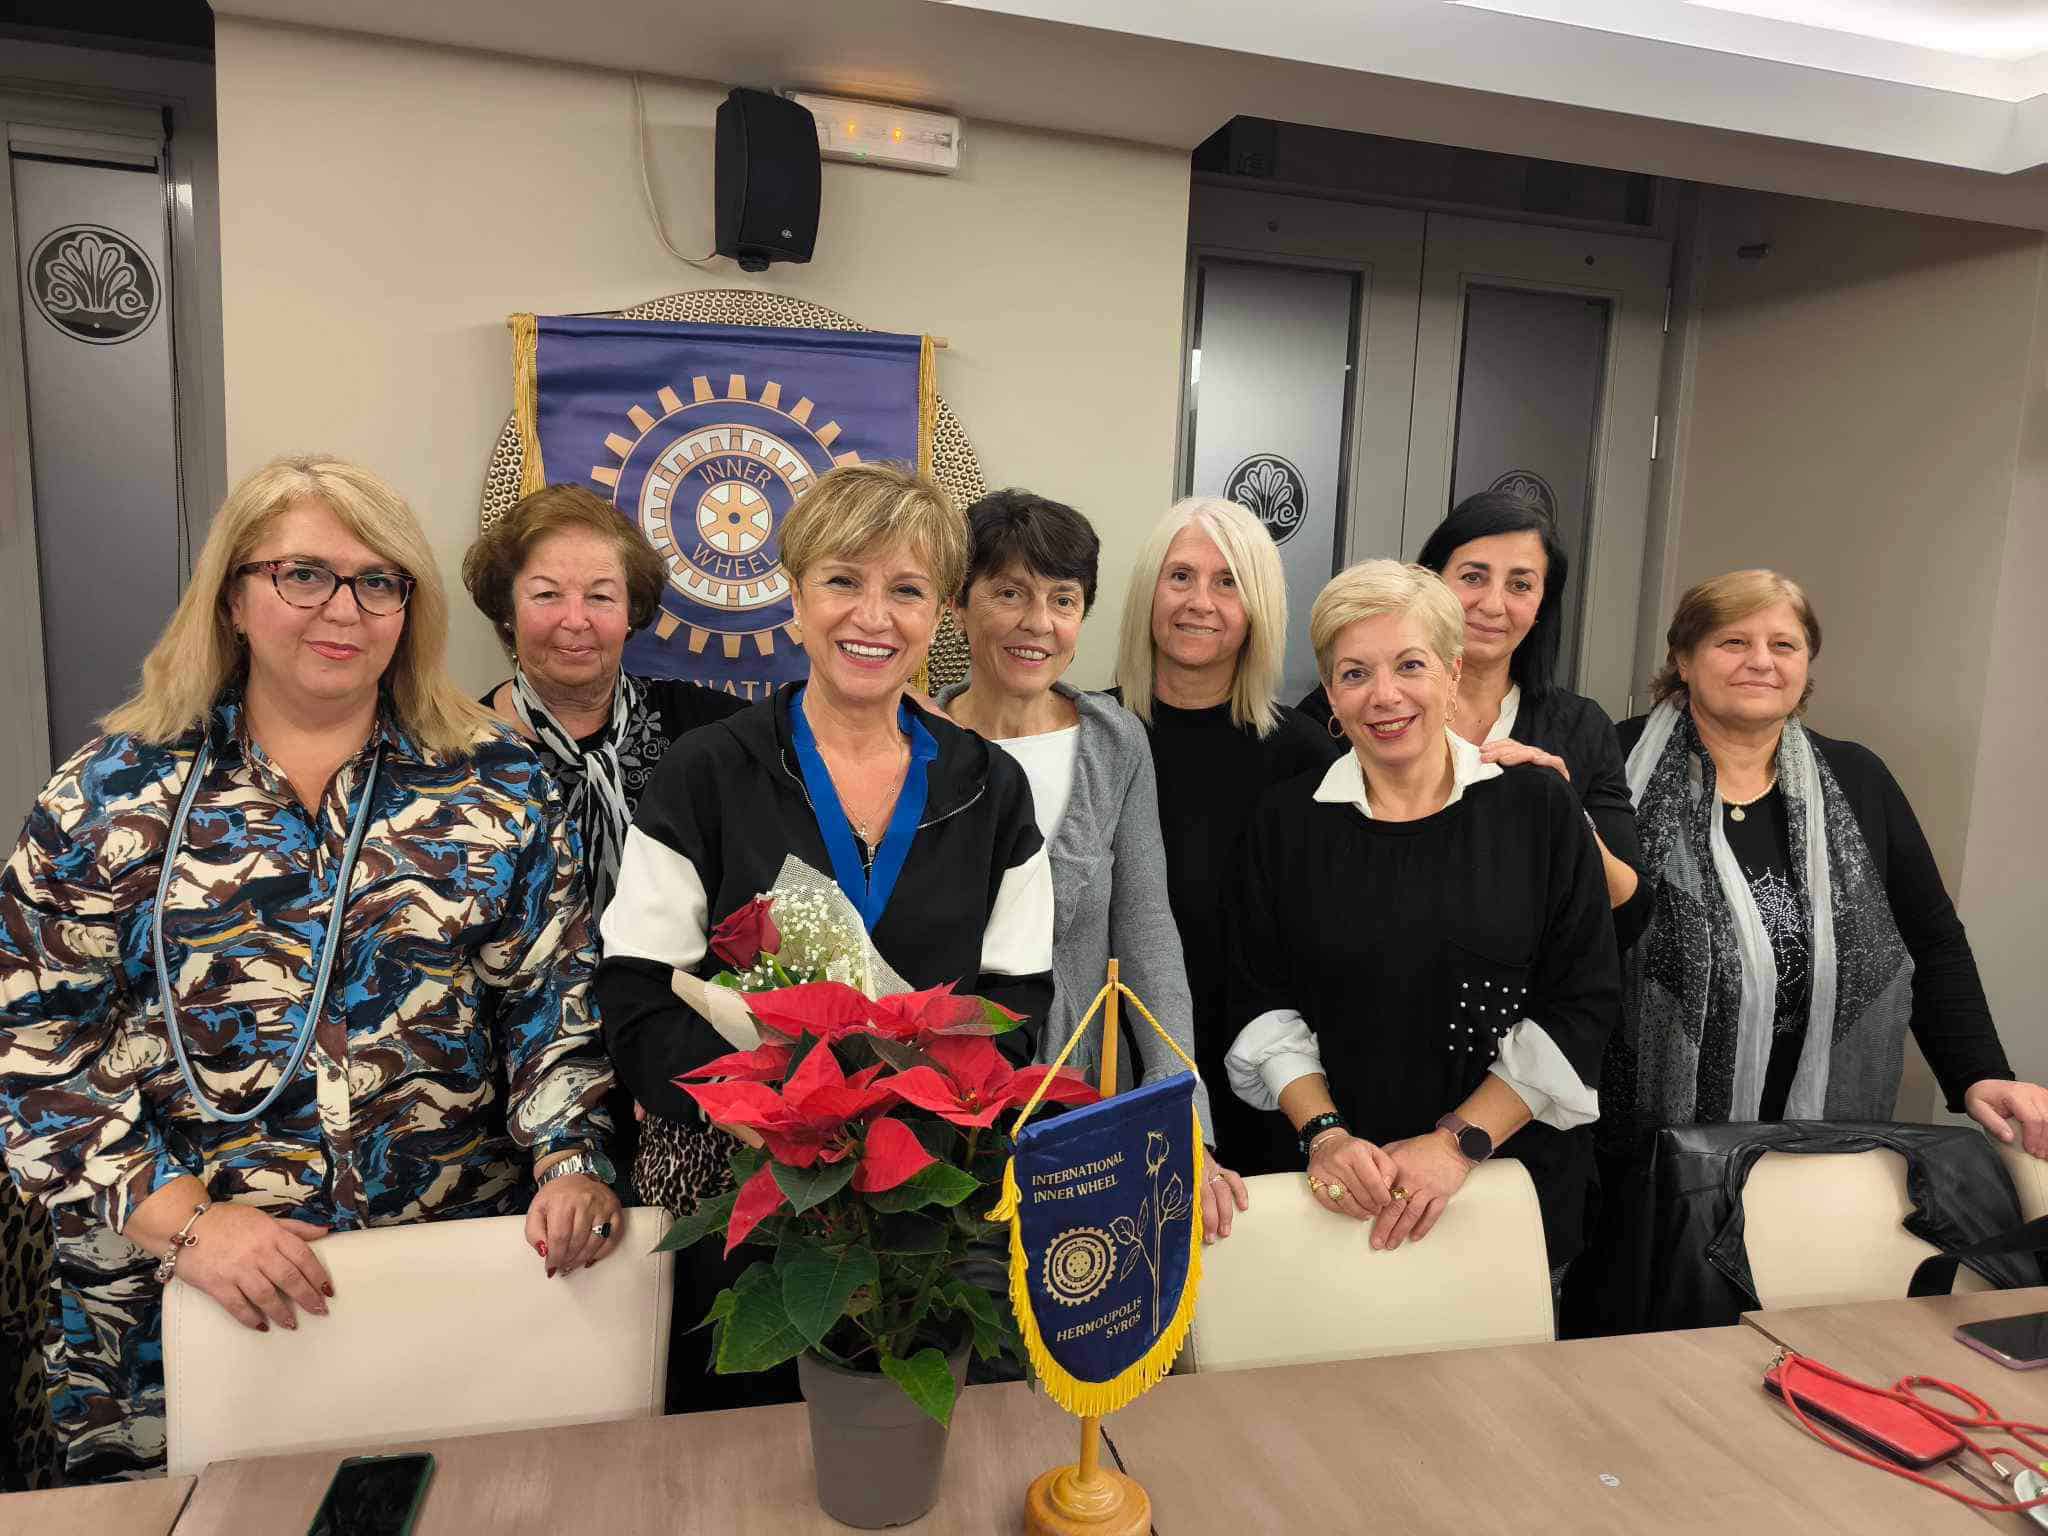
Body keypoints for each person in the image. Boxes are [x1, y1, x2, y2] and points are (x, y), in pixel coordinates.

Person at [0, 456, 618, 1481]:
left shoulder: (494, 783)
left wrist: (570, 1160)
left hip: (442, 1282)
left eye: (379, 581)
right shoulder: (107, 796)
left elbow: (552, 1005)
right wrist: (190, 1226)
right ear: (233, 598)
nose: (344, 609)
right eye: (303, 574)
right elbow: (32, 1051)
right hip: (175, 1298)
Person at [596, 462, 1055, 1409]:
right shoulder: (706, 772)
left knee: (929, 1428)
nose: (872, 617)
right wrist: (771, 1111)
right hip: (751, 1193)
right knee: (748, 1445)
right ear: (796, 595)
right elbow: (637, 996)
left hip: (928, 1196)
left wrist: (914, 1115)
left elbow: (1017, 999)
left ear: (943, 614)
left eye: (908, 590)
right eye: (844, 580)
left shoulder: (990, 789)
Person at [1226, 560, 1619, 1275]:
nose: (1385, 695)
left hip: (1506, 1194)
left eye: (1410, 665)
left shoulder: (1538, 809)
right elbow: (1260, 999)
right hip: (1335, 1196)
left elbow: (1581, 1003)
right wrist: (1326, 1136)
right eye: (1354, 674)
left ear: (1453, 672)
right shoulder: (1285, 823)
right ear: (1331, 696)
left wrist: (1455, 1145)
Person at [1610, 569, 2048, 1149]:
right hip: (1627, 1139)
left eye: (1783, 645)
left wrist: (1980, 1072)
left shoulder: (1856, 778)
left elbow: (1931, 939)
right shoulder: (1612, 766)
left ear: (1806, 665)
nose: (1761, 662)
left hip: (1815, 1133)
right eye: (1733, 641)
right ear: (1684, 659)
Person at [939, 489, 1248, 1243]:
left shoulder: (1115, 741)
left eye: (1063, 599)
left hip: (1082, 1103)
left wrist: (1183, 1114)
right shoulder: (913, 739)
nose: (1038, 623)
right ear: (959, 604)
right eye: (1009, 593)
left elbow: (1148, 935)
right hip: (937, 1105)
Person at [463, 484, 746, 1196]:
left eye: (600, 596)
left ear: (633, 610)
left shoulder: (711, 734)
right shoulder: (453, 757)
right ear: (506, 608)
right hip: (513, 1101)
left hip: (684, 1082)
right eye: (546, 595)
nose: (575, 620)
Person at [1302, 492, 1649, 945]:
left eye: (1520, 585)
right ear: (1430, 580)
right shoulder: (1349, 710)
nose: (1492, 604)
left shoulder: (1581, 728)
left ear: (1543, 604)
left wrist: (1567, 812)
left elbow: (1628, 916)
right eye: (1473, 577)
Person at [1112, 498, 1340, 1175]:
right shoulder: (1096, 736)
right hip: (1120, 1069)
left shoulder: (1305, 756)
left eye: (1228, 582)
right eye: (1180, 576)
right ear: (1149, 591)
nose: (1199, 602)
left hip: (1269, 1081)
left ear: (1258, 607)